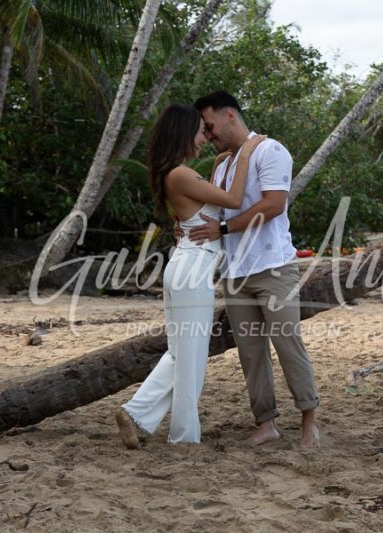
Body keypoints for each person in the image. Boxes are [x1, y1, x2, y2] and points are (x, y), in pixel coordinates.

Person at [115, 103, 265, 449]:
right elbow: (233, 198)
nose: (204, 137)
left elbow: (201, 208)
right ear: (184, 133)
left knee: (181, 352)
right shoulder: (181, 174)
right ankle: (182, 436)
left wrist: (222, 162)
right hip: (192, 270)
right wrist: (246, 152)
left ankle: (137, 412)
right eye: (200, 131)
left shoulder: (177, 173)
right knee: (192, 357)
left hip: (184, 267)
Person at [187, 91, 321, 448]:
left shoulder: (270, 151)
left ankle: (309, 420)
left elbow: (274, 204)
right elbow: (218, 211)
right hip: (235, 273)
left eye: (211, 126)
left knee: (287, 344)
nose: (209, 134)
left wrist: (226, 230)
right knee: (250, 352)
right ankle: (266, 423)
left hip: (273, 268)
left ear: (230, 115)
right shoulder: (222, 163)